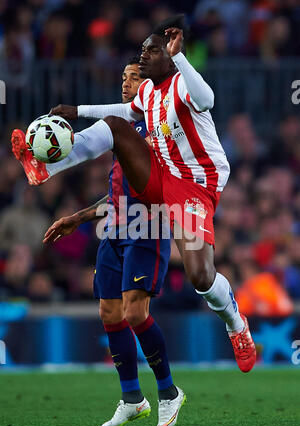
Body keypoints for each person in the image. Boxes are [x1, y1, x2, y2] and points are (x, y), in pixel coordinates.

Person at [12, 15, 256, 384]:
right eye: (142, 50)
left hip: (194, 187)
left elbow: (208, 99)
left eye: (151, 51)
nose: (142, 57)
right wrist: (76, 112)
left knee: (201, 276)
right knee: (115, 127)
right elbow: (125, 112)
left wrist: (181, 58)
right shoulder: (148, 93)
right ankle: (47, 167)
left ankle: (236, 324)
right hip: (160, 179)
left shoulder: (182, 86)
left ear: (170, 56)